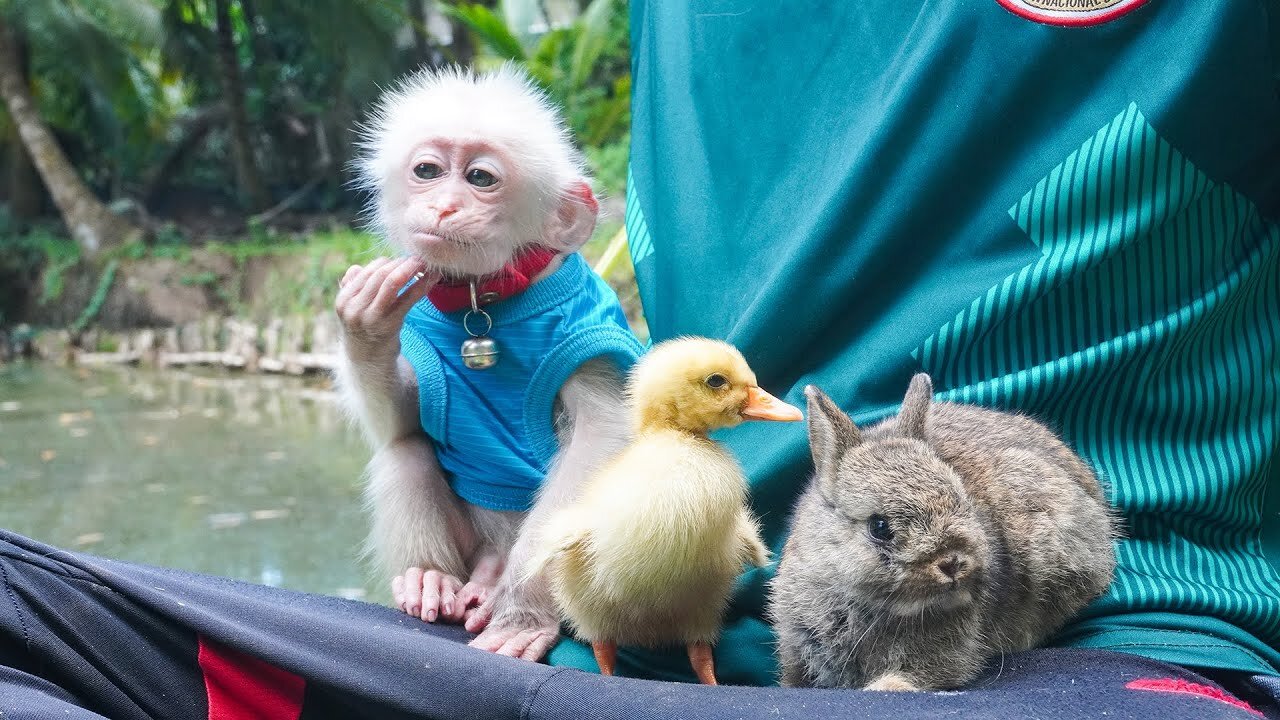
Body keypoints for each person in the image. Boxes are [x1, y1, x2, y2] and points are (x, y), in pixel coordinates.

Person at [2, 1, 1277, 717]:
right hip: (625, 642)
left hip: (1049, 653)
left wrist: (529, 590)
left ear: (562, 216)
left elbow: (594, 428)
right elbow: (414, 439)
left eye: (475, 180)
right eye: (424, 179)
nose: (445, 203)